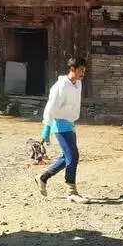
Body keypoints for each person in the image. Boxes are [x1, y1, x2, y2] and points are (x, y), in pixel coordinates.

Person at [34, 57, 89, 204]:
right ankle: (71, 192)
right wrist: (46, 129)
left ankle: (43, 177)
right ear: (72, 69)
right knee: (74, 156)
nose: (83, 73)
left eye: (84, 70)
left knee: (67, 157)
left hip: (70, 123)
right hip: (59, 123)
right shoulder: (61, 86)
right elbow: (50, 108)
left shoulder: (78, 83)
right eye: (81, 70)